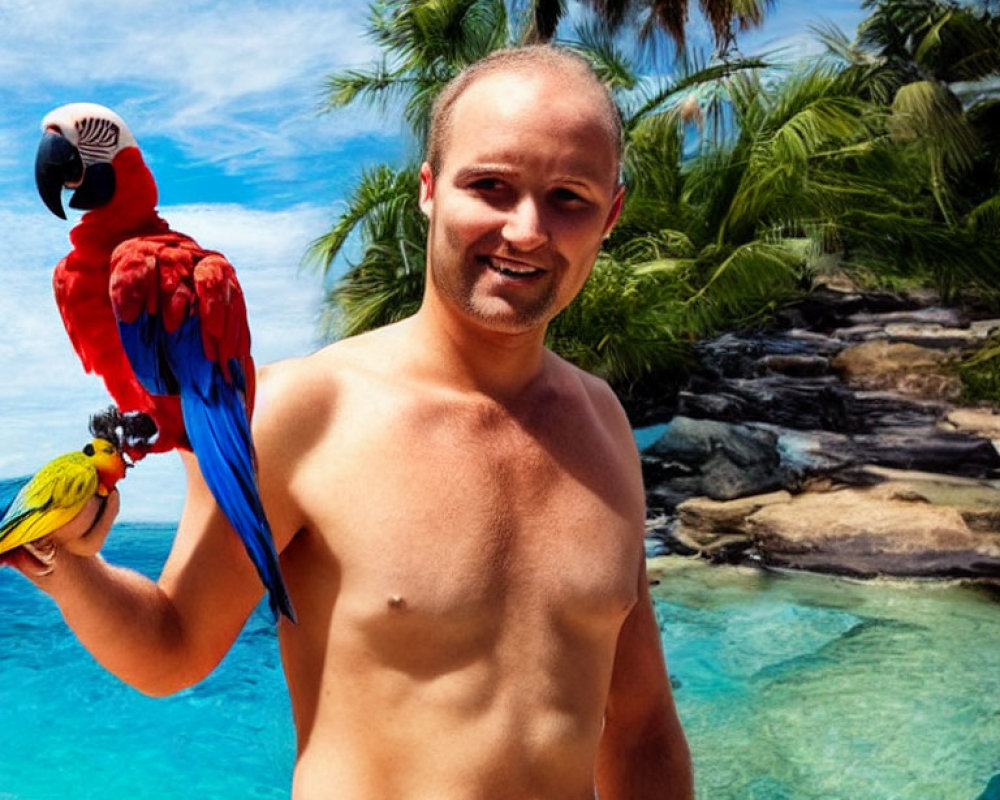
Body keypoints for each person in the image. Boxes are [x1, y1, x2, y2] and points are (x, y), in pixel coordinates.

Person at [4, 45, 693, 800]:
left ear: (612, 214)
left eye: (570, 196)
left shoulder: (603, 426)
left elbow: (641, 724)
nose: (526, 230)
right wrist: (66, 565)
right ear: (428, 190)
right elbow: (172, 648)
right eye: (490, 186)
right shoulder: (303, 412)